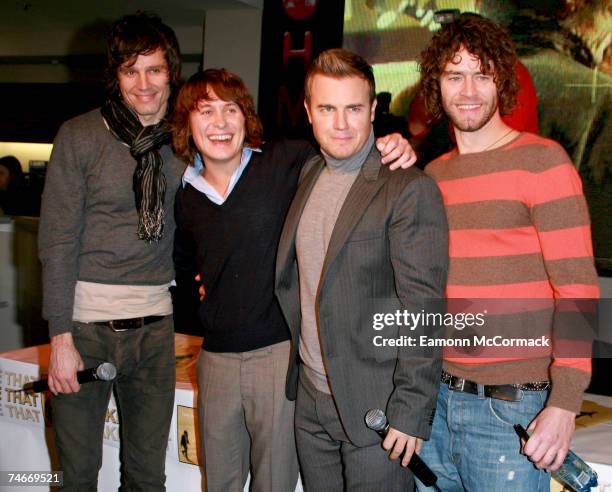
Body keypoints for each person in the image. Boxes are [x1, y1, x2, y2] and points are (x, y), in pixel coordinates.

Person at [170, 68, 416, 492]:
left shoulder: (286, 160)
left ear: (246, 117)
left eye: (231, 109)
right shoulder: (186, 195)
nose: (220, 123)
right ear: (187, 124)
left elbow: (345, 149)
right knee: (219, 483)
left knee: (275, 484)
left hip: (277, 355)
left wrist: (390, 142)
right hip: (215, 362)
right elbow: (185, 267)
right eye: (205, 111)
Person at [415, 13, 599, 491]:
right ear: (437, 84)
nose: (469, 90)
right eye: (455, 75)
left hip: (510, 414)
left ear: (503, 81)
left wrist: (565, 403)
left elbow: (577, 290)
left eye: (483, 74)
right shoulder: (433, 177)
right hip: (433, 407)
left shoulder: (543, 163)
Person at [274, 48, 448, 491]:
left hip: (379, 407)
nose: (341, 123)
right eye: (327, 108)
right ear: (309, 112)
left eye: (354, 108)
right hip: (311, 399)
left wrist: (410, 411)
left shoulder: (408, 188)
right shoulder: (310, 173)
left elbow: (424, 309)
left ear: (373, 110)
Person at [38, 12, 184, 490]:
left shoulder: (187, 140)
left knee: (147, 479)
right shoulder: (80, 136)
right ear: (115, 76)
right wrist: (60, 337)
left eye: (155, 69)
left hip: (155, 331)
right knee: (78, 477)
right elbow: (58, 240)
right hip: (84, 331)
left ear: (171, 72)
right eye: (130, 70)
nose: (144, 84)